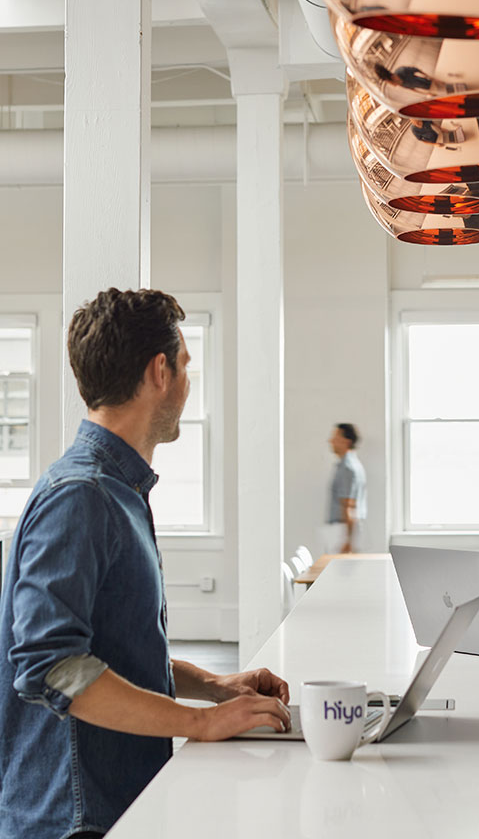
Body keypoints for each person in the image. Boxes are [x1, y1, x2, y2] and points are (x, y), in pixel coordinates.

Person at [0, 288, 290, 839]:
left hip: (109, 804)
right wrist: (200, 724)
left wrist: (214, 686)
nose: (187, 381)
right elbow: (52, 665)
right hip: (75, 817)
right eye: (185, 365)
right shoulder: (82, 496)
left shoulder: (115, 489)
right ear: (160, 371)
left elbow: (108, 653)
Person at [325, 423, 367, 554]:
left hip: (343, 531)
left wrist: (348, 541)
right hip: (346, 530)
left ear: (346, 441)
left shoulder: (347, 468)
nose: (330, 441)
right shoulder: (352, 464)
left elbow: (349, 505)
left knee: (337, 573)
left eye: (335, 438)